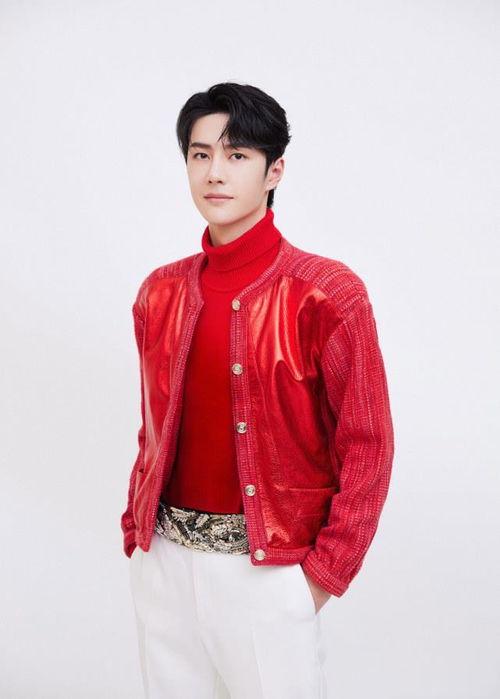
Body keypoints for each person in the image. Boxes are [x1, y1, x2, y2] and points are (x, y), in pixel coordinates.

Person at [121, 81, 395, 699]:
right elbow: (154, 428)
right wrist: (136, 532)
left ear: (275, 171)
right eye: (200, 155)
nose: (215, 173)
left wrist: (322, 575)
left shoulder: (325, 293)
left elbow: (369, 443)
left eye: (237, 155)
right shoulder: (159, 293)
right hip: (164, 563)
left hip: (268, 572)